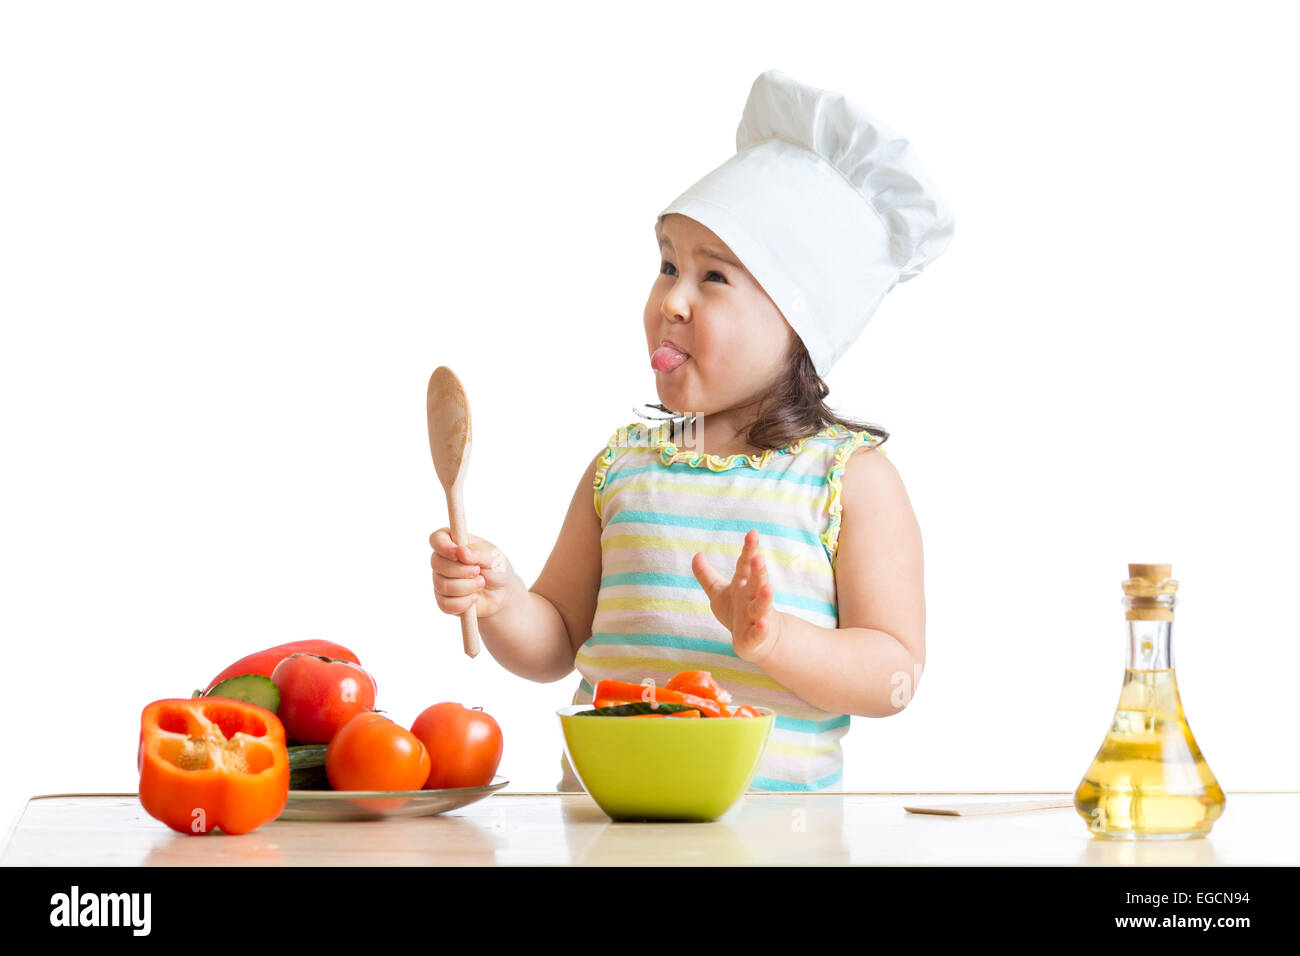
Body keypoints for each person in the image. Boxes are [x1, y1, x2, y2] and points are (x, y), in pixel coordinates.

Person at [430, 69, 954, 791]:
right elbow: (555, 643)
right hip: (603, 830)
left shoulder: (848, 480)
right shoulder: (624, 465)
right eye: (668, 264)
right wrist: (504, 600)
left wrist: (772, 639)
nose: (670, 298)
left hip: (776, 842)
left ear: (801, 326)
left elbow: (893, 673)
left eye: (714, 278)